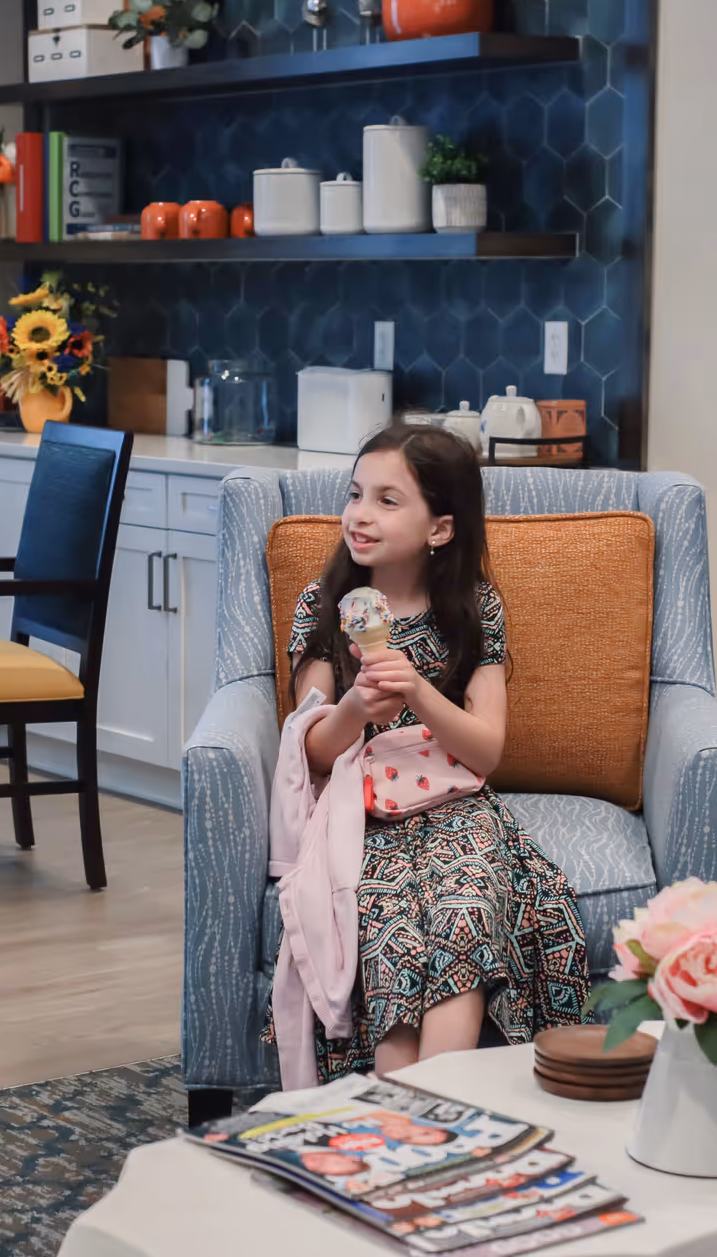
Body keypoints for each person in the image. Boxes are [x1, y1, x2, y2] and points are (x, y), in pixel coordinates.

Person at [278, 423, 589, 1080]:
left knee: (467, 911)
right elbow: (309, 750)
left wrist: (415, 687)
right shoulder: (325, 605)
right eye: (356, 494)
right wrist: (357, 707)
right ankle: (405, 1123)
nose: (360, 514)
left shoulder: (474, 608)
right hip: (363, 821)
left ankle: (441, 1113)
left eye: (388, 501)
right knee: (389, 932)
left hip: (459, 814)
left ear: (440, 528)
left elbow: (486, 749)